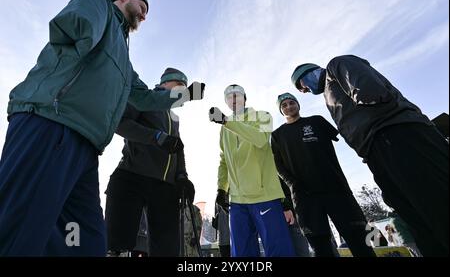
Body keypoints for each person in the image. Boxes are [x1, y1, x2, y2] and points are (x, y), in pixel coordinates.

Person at [0, 0, 204, 256]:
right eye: (142, 8)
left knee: (87, 241)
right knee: (22, 226)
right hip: (52, 120)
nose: (144, 16)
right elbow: (72, 25)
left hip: (87, 147)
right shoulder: (99, 3)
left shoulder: (124, 61)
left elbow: (143, 97)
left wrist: (187, 95)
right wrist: (85, 38)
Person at [291, 55, 449, 256]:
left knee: (434, 201)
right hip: (376, 150)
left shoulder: (336, 65)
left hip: (396, 133)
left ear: (309, 72)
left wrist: (375, 128)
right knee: (415, 215)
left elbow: (370, 89)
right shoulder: (329, 95)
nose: (304, 90)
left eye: (301, 84)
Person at [271, 93, 376, 257]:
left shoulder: (316, 121)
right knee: (320, 246)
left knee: (358, 236)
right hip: (304, 196)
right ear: (281, 110)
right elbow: (278, 165)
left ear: (298, 104)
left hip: (335, 188)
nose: (289, 107)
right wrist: (292, 184)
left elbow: (345, 135)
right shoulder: (277, 135)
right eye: (284, 105)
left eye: (292, 102)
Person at [105, 68, 195, 257]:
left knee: (167, 249)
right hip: (132, 176)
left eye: (185, 88)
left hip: (164, 187)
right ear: (164, 84)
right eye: (179, 85)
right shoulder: (145, 98)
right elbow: (120, 123)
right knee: (118, 243)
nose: (182, 91)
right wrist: (156, 137)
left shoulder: (174, 118)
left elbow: (178, 148)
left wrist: (182, 176)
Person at [209, 84, 295, 257]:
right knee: (241, 254)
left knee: (278, 251)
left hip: (265, 197)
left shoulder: (262, 116)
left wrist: (227, 122)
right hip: (238, 201)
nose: (233, 99)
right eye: (229, 97)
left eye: (237, 95)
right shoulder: (224, 130)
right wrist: (221, 189)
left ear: (245, 98)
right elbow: (224, 160)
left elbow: (261, 139)